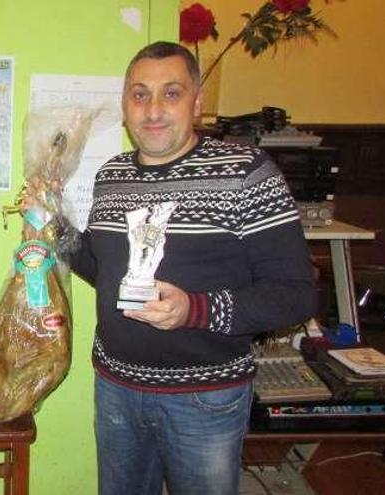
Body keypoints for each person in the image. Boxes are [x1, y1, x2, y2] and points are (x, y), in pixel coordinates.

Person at [67, 42, 316, 494]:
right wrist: (55, 234)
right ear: (125, 105)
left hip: (206, 399)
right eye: (140, 95)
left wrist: (193, 309)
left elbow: (295, 293)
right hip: (116, 388)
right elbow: (102, 269)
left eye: (172, 93)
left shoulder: (247, 172)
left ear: (197, 103)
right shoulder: (111, 175)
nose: (153, 109)